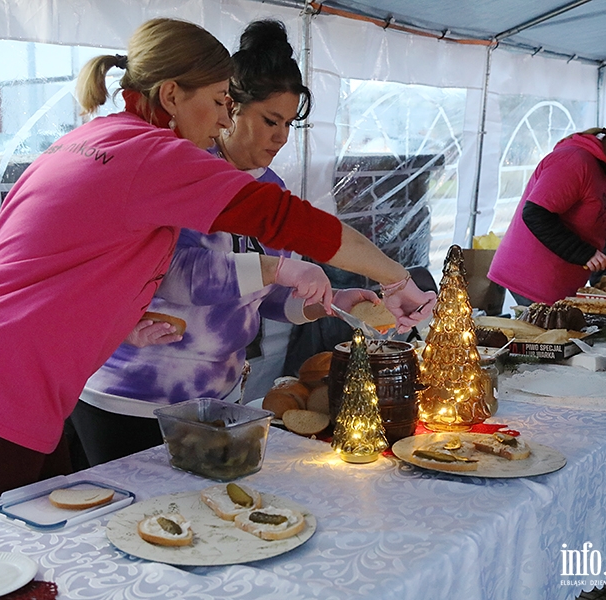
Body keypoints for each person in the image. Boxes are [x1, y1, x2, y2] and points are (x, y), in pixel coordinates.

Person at [0, 18, 435, 521]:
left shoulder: (93, 139)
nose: (227, 118)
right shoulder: (154, 156)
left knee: (39, 545)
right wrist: (396, 277)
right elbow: (288, 225)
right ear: (171, 95)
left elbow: (46, 261)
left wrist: (122, 312)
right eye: (220, 102)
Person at [71, 20, 379, 465]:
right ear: (229, 109)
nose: (280, 136)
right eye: (269, 120)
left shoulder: (271, 191)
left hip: (216, 400)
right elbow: (178, 276)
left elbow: (269, 299)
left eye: (289, 124)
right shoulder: (183, 171)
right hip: (132, 397)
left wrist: (326, 302)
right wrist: (284, 269)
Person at [488, 114, 606, 305]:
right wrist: (584, 253)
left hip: (559, 282)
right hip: (530, 277)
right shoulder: (574, 160)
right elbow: (536, 213)